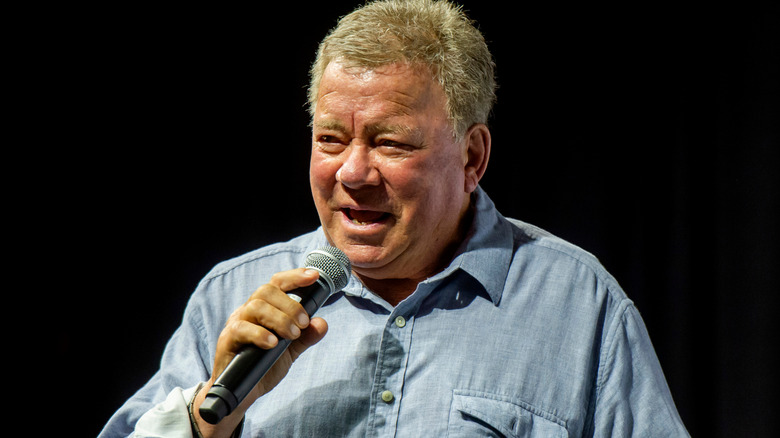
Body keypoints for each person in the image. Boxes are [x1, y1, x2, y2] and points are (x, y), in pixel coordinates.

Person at [100, 0, 689, 436]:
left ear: (473, 156)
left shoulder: (579, 306)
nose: (351, 172)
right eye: (331, 139)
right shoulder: (230, 297)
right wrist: (208, 420)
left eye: (391, 143)